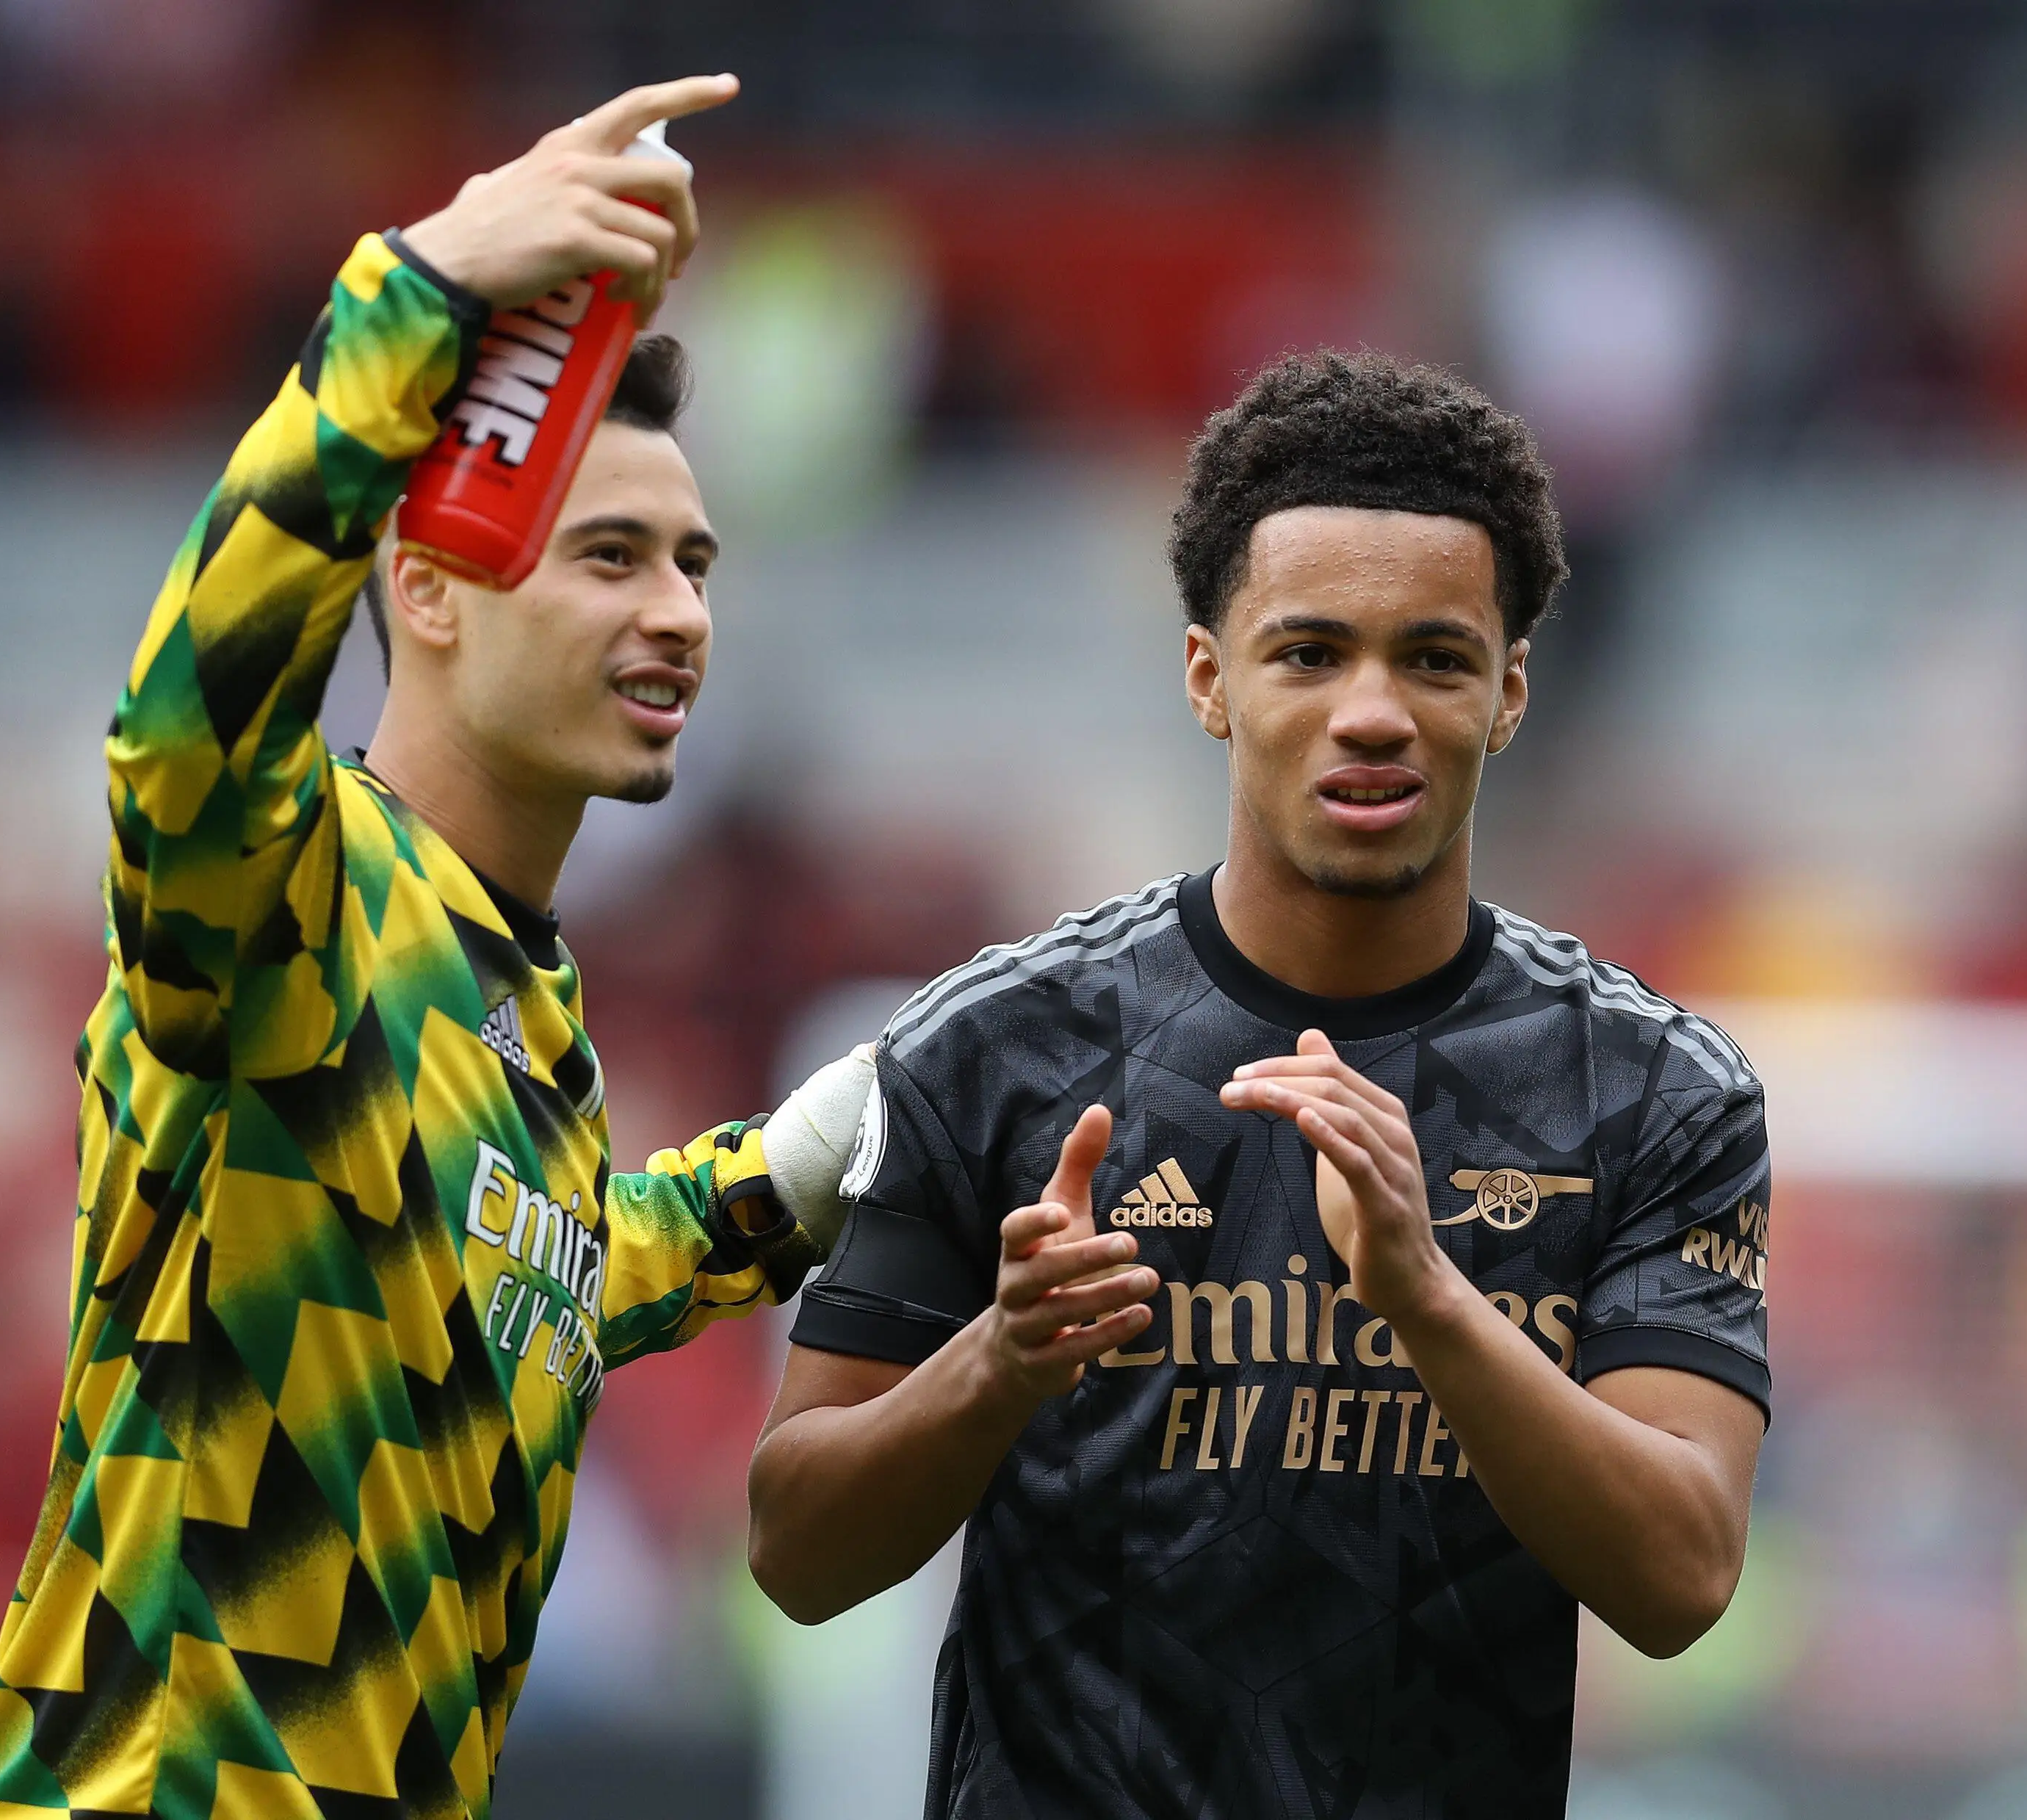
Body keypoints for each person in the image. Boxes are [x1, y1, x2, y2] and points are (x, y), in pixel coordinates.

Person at [0, 76, 846, 1820]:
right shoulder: (295, 893)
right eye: (612, 556)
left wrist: (774, 1188)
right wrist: (413, 289)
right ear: (426, 588)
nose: (678, 611)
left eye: (697, 565)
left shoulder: (519, 998)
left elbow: (521, 1266)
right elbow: (179, 733)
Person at [748, 351, 1773, 1818]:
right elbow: (797, 1552)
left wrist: (1426, 1300)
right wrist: (1000, 1361)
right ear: (1207, 678)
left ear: (1506, 696)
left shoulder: (1654, 1091)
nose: (1371, 711)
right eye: (1308, 653)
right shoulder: (992, 1047)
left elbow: (1681, 1576)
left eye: (1432, 658)